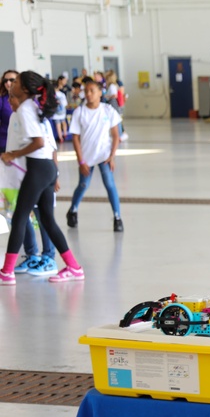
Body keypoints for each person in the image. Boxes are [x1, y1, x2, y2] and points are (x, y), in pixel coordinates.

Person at [1, 71, 85, 285]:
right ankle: (74, 267)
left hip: (39, 168)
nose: (13, 84)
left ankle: (6, 272)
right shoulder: (32, 106)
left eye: (17, 82)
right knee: (47, 219)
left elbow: (38, 142)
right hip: (47, 167)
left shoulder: (26, 108)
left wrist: (12, 155)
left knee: (20, 216)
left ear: (26, 89)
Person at [66, 77, 124, 232]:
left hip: (104, 156)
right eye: (87, 91)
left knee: (110, 184)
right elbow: (76, 138)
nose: (89, 94)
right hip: (87, 157)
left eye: (92, 91)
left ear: (100, 93)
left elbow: (116, 135)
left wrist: (112, 156)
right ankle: (73, 210)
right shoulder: (80, 112)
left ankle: (117, 217)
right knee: (83, 185)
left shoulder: (107, 110)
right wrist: (81, 161)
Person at [51, 75, 68, 142]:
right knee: (64, 123)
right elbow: (65, 104)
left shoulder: (52, 95)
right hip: (62, 112)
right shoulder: (62, 94)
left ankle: (60, 137)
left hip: (55, 113)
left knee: (58, 125)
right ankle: (65, 134)